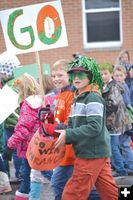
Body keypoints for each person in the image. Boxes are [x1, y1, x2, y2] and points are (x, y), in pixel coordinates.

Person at [55, 56, 118, 200]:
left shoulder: (93, 98)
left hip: (91, 152)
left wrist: (68, 134)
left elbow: (94, 127)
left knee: (72, 194)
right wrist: (64, 131)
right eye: (73, 74)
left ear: (90, 76)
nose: (76, 77)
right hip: (92, 151)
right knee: (109, 192)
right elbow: (71, 123)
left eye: (81, 74)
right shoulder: (78, 97)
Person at [3, 73, 43, 200]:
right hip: (37, 143)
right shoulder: (41, 101)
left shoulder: (28, 104)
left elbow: (23, 129)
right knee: (30, 174)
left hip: (28, 146)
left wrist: (9, 145)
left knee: (30, 174)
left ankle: (24, 196)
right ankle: (28, 195)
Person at [99, 62, 132, 177]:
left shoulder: (113, 86)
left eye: (105, 73)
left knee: (114, 147)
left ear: (111, 74)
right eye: (101, 74)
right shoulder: (104, 86)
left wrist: (99, 102)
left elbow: (113, 104)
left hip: (114, 122)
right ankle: (122, 167)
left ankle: (121, 169)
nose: (103, 76)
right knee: (113, 146)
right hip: (110, 122)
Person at [29, 74, 57, 200]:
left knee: (39, 170)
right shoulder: (49, 98)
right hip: (47, 137)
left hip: (45, 139)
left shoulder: (45, 100)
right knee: (36, 172)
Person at [0, 62, 22, 180]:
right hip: (13, 122)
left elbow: (10, 106)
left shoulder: (10, 86)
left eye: (1, 72)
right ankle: (20, 173)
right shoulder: (14, 83)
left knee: (15, 150)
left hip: (12, 123)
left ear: (7, 72)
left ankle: (20, 174)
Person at [113, 65, 133, 175]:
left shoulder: (123, 87)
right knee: (122, 144)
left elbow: (125, 103)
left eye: (121, 75)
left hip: (124, 120)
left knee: (124, 144)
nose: (118, 77)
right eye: (116, 75)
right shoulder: (118, 86)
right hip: (121, 120)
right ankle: (127, 164)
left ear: (125, 76)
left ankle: (130, 165)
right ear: (113, 76)